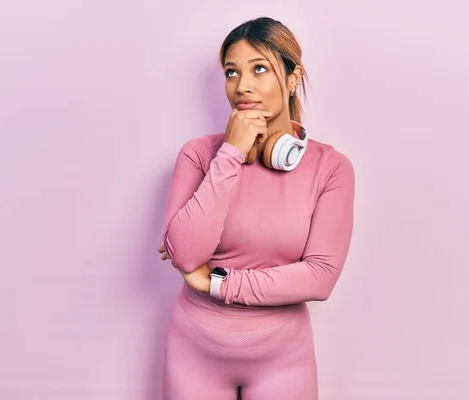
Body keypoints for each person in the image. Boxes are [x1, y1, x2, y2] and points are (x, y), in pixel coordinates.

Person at [157, 16, 355, 400]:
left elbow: (320, 276)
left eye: (259, 69)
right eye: (232, 72)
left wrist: (216, 282)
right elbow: (186, 254)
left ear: (293, 77)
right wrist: (230, 154)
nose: (242, 86)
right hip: (193, 352)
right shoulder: (199, 155)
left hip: (283, 358)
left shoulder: (331, 169)